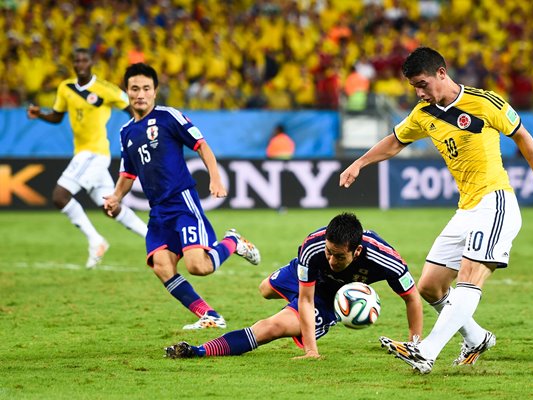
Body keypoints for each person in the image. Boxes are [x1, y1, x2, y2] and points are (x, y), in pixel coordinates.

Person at [339, 47, 533, 374]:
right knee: (430, 286)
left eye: (423, 84)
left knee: (470, 277)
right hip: (466, 209)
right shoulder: (423, 113)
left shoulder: (486, 102)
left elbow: (523, 136)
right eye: (415, 87)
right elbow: (395, 141)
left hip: (495, 202)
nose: (419, 92)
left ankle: (426, 351)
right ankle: (476, 337)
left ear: (441, 73)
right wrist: (360, 163)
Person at [103, 62, 261, 330]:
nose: (140, 94)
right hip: (158, 211)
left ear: (155, 91)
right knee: (161, 265)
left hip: (181, 201)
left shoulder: (169, 117)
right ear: (127, 92)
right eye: (134, 89)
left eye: (146, 88)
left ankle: (233, 242)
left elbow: (201, 145)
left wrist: (216, 177)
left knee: (198, 267)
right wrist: (116, 197)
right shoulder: (126, 132)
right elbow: (128, 173)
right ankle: (209, 315)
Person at [164, 212, 422, 359]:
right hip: (308, 278)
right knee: (264, 289)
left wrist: (415, 345)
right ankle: (237, 242)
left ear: (357, 252)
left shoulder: (386, 260)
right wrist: (312, 350)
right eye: (329, 252)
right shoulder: (313, 246)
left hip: (327, 298)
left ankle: (197, 352)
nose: (332, 259)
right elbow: (305, 298)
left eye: (339, 256)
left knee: (272, 327)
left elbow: (412, 298)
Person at [26, 47, 147, 269]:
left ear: (91, 63)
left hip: (95, 152)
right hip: (84, 153)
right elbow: (57, 116)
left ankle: (95, 239)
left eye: (84, 60)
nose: (80, 64)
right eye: (77, 60)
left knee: (59, 196)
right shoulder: (66, 88)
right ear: (74, 64)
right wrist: (40, 114)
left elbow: (131, 107)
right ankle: (151, 237)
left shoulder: (104, 89)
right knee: (109, 206)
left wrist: (138, 131)